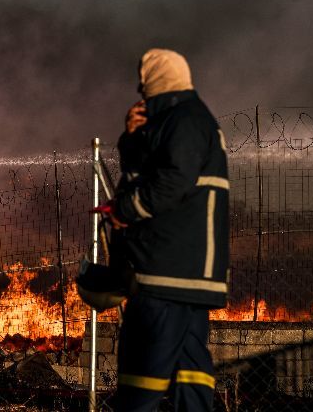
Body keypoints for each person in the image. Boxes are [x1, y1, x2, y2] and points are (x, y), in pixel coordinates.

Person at [95, 48, 230, 412]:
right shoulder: (189, 120)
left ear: (154, 83)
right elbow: (150, 170)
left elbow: (172, 182)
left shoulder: (183, 120)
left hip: (165, 272)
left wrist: (124, 210)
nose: (140, 93)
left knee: (140, 376)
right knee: (192, 373)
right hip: (189, 278)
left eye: (144, 85)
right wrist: (131, 138)